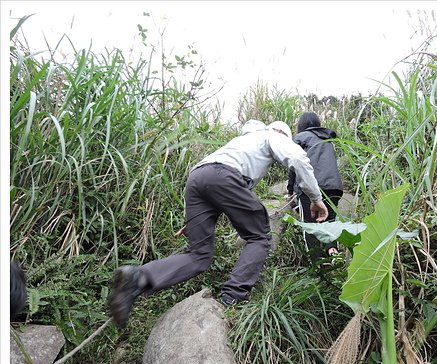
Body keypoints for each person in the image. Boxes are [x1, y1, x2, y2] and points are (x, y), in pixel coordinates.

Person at [108, 119, 329, 328]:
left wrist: (195, 221)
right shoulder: (272, 135)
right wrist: (316, 199)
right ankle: (233, 297)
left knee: (199, 254)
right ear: (281, 134)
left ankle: (138, 277)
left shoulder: (240, 143)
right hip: (224, 177)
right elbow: (298, 159)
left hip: (198, 178)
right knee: (259, 237)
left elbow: (216, 186)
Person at [287, 111, 343, 261]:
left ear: (301, 125)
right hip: (333, 187)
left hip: (310, 188)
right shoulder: (327, 140)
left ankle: (316, 264)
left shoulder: (299, 138)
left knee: (310, 226)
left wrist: (290, 189)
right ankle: (333, 253)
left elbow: (294, 165)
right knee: (330, 222)